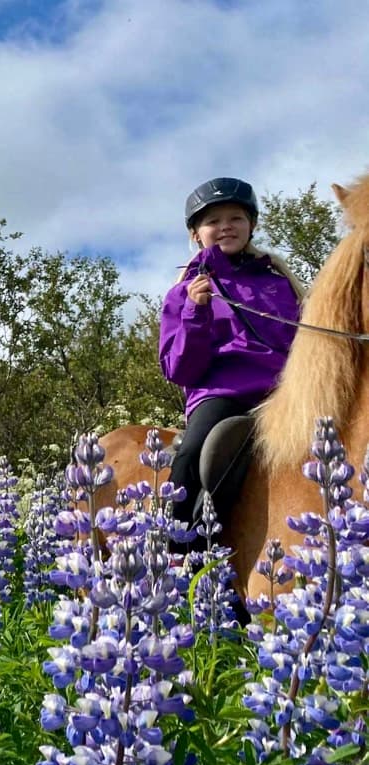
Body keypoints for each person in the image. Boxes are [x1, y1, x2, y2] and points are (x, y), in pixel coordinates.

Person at [159, 176, 307, 547]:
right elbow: (179, 369)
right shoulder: (183, 293)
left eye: (236, 217)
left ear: (252, 225)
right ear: (196, 234)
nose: (225, 226)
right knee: (194, 451)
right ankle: (176, 549)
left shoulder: (281, 282)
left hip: (286, 393)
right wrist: (196, 311)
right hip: (223, 395)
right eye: (213, 221)